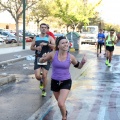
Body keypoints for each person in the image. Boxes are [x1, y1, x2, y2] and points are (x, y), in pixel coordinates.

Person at [39, 36, 87, 120]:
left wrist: (82, 62)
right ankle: (65, 112)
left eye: (66, 42)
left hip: (66, 81)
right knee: (60, 104)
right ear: (58, 46)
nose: (65, 44)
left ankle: (64, 117)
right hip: (54, 81)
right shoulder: (53, 54)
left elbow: (78, 66)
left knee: (61, 103)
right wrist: (42, 58)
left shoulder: (71, 57)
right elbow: (42, 61)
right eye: (63, 43)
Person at [30, 23, 55, 97]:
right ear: (40, 28)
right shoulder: (36, 37)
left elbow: (55, 46)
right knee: (38, 76)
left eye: (45, 27)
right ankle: (41, 81)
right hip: (38, 57)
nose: (43, 29)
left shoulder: (49, 38)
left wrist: (47, 44)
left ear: (47, 29)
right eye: (42, 27)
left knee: (44, 75)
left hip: (46, 58)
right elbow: (31, 47)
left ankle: (44, 90)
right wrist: (36, 48)